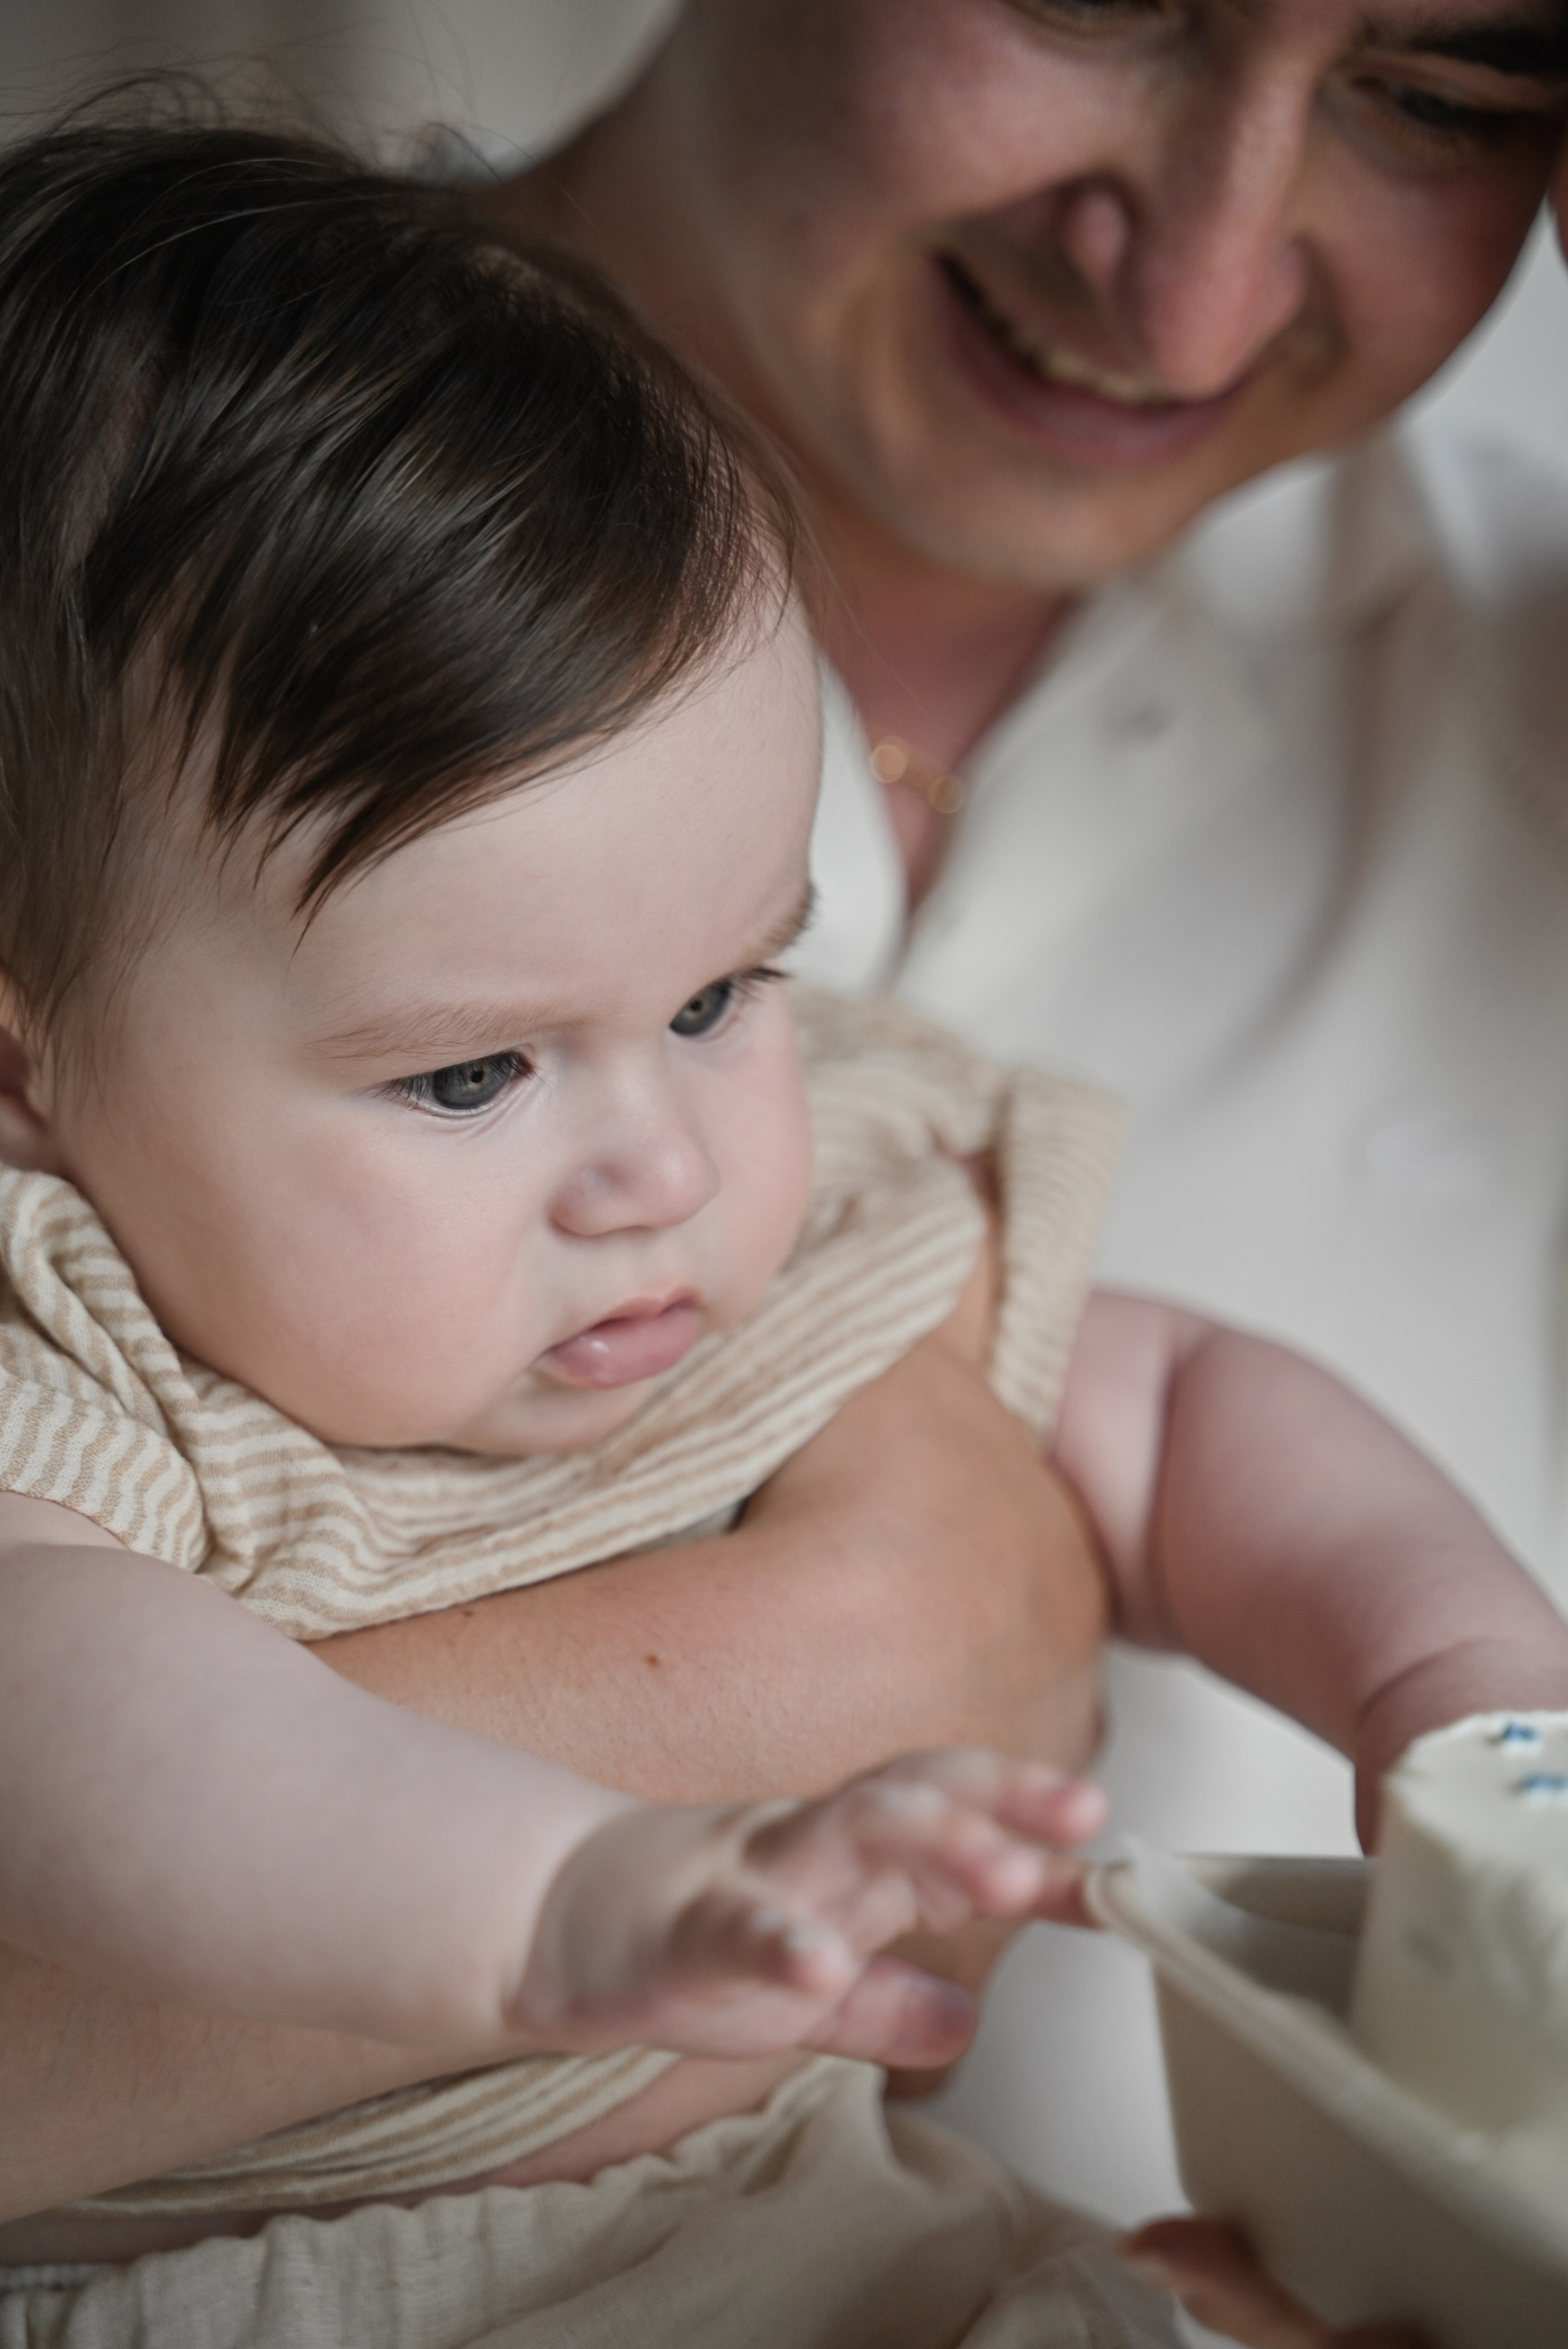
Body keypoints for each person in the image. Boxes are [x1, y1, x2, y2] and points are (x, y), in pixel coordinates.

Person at [0, 117, 1560, 2348]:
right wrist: (565, 1892)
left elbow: (1184, 1411)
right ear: (29, 1069)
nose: (663, 1163)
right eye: (473, 1075)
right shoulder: (72, 1337)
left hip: (839, 2235)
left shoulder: (802, 1192)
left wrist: (1466, 1697)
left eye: (727, 989)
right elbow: (72, 1715)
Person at [484, 0, 1568, 2217]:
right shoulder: (91, 572)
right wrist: (862, 1653)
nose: (1193, 297)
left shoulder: (1524, 699)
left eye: (1440, 100)